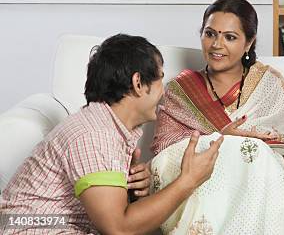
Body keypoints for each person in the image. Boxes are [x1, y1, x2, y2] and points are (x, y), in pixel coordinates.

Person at [0, 34, 223, 234]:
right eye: (159, 80)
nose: (163, 91)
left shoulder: (109, 129)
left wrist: (131, 195)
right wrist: (188, 180)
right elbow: (119, 229)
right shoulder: (95, 136)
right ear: (138, 83)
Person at [150, 0, 284, 234]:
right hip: (202, 176)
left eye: (230, 37)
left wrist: (245, 147)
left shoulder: (269, 83)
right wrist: (219, 139)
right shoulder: (180, 90)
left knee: (256, 156)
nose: (216, 45)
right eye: (210, 33)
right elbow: (165, 149)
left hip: (260, 172)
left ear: (248, 43)